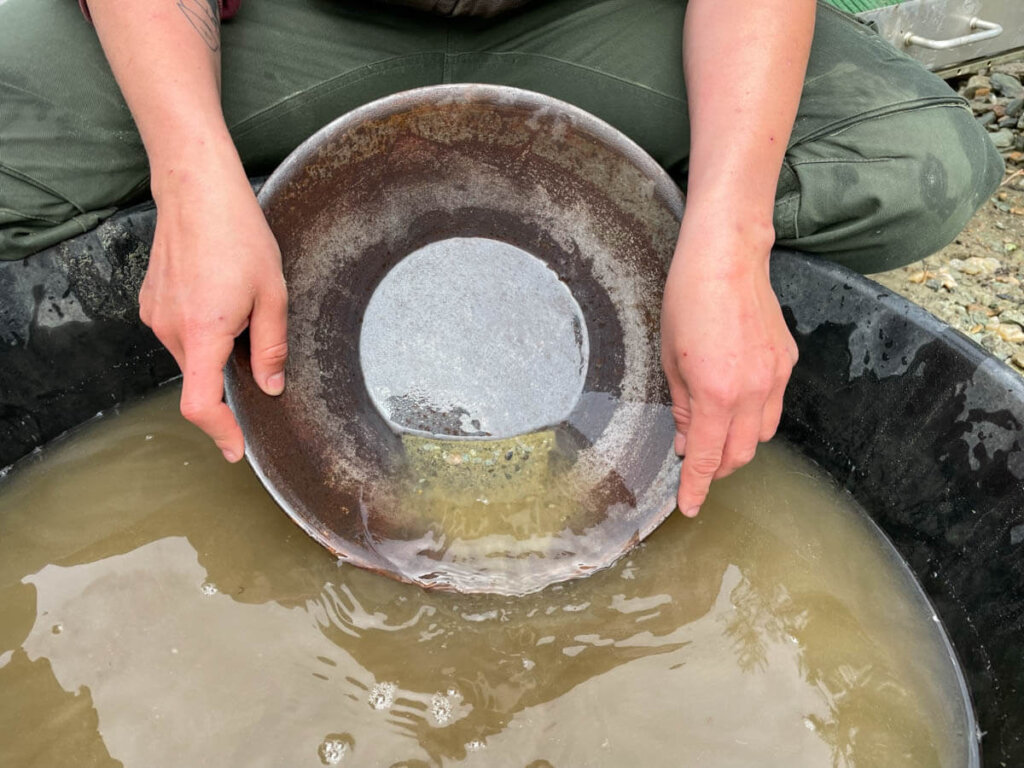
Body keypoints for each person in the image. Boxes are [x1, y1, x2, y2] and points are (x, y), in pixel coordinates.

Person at [0, 0, 1003, 516]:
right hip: (289, 25)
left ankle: (614, 221)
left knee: (916, 163)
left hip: (599, 26)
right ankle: (282, 210)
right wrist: (190, 181)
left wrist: (731, 239)